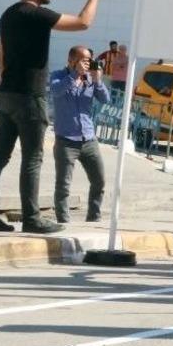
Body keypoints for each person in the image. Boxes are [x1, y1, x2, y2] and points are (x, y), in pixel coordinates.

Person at [0, 0, 106, 234]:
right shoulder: (36, 14)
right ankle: (32, 218)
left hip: (7, 94)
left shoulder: (8, 14)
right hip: (29, 98)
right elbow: (84, 22)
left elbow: (2, 55)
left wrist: (7, 80)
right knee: (32, 158)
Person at [49, 46, 110, 223]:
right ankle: (63, 221)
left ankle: (94, 217)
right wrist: (75, 75)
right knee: (63, 185)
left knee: (99, 181)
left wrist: (98, 81)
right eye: (84, 60)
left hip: (88, 139)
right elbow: (56, 91)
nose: (88, 63)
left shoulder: (90, 78)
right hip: (66, 141)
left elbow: (105, 99)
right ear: (71, 60)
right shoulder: (58, 76)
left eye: (89, 59)